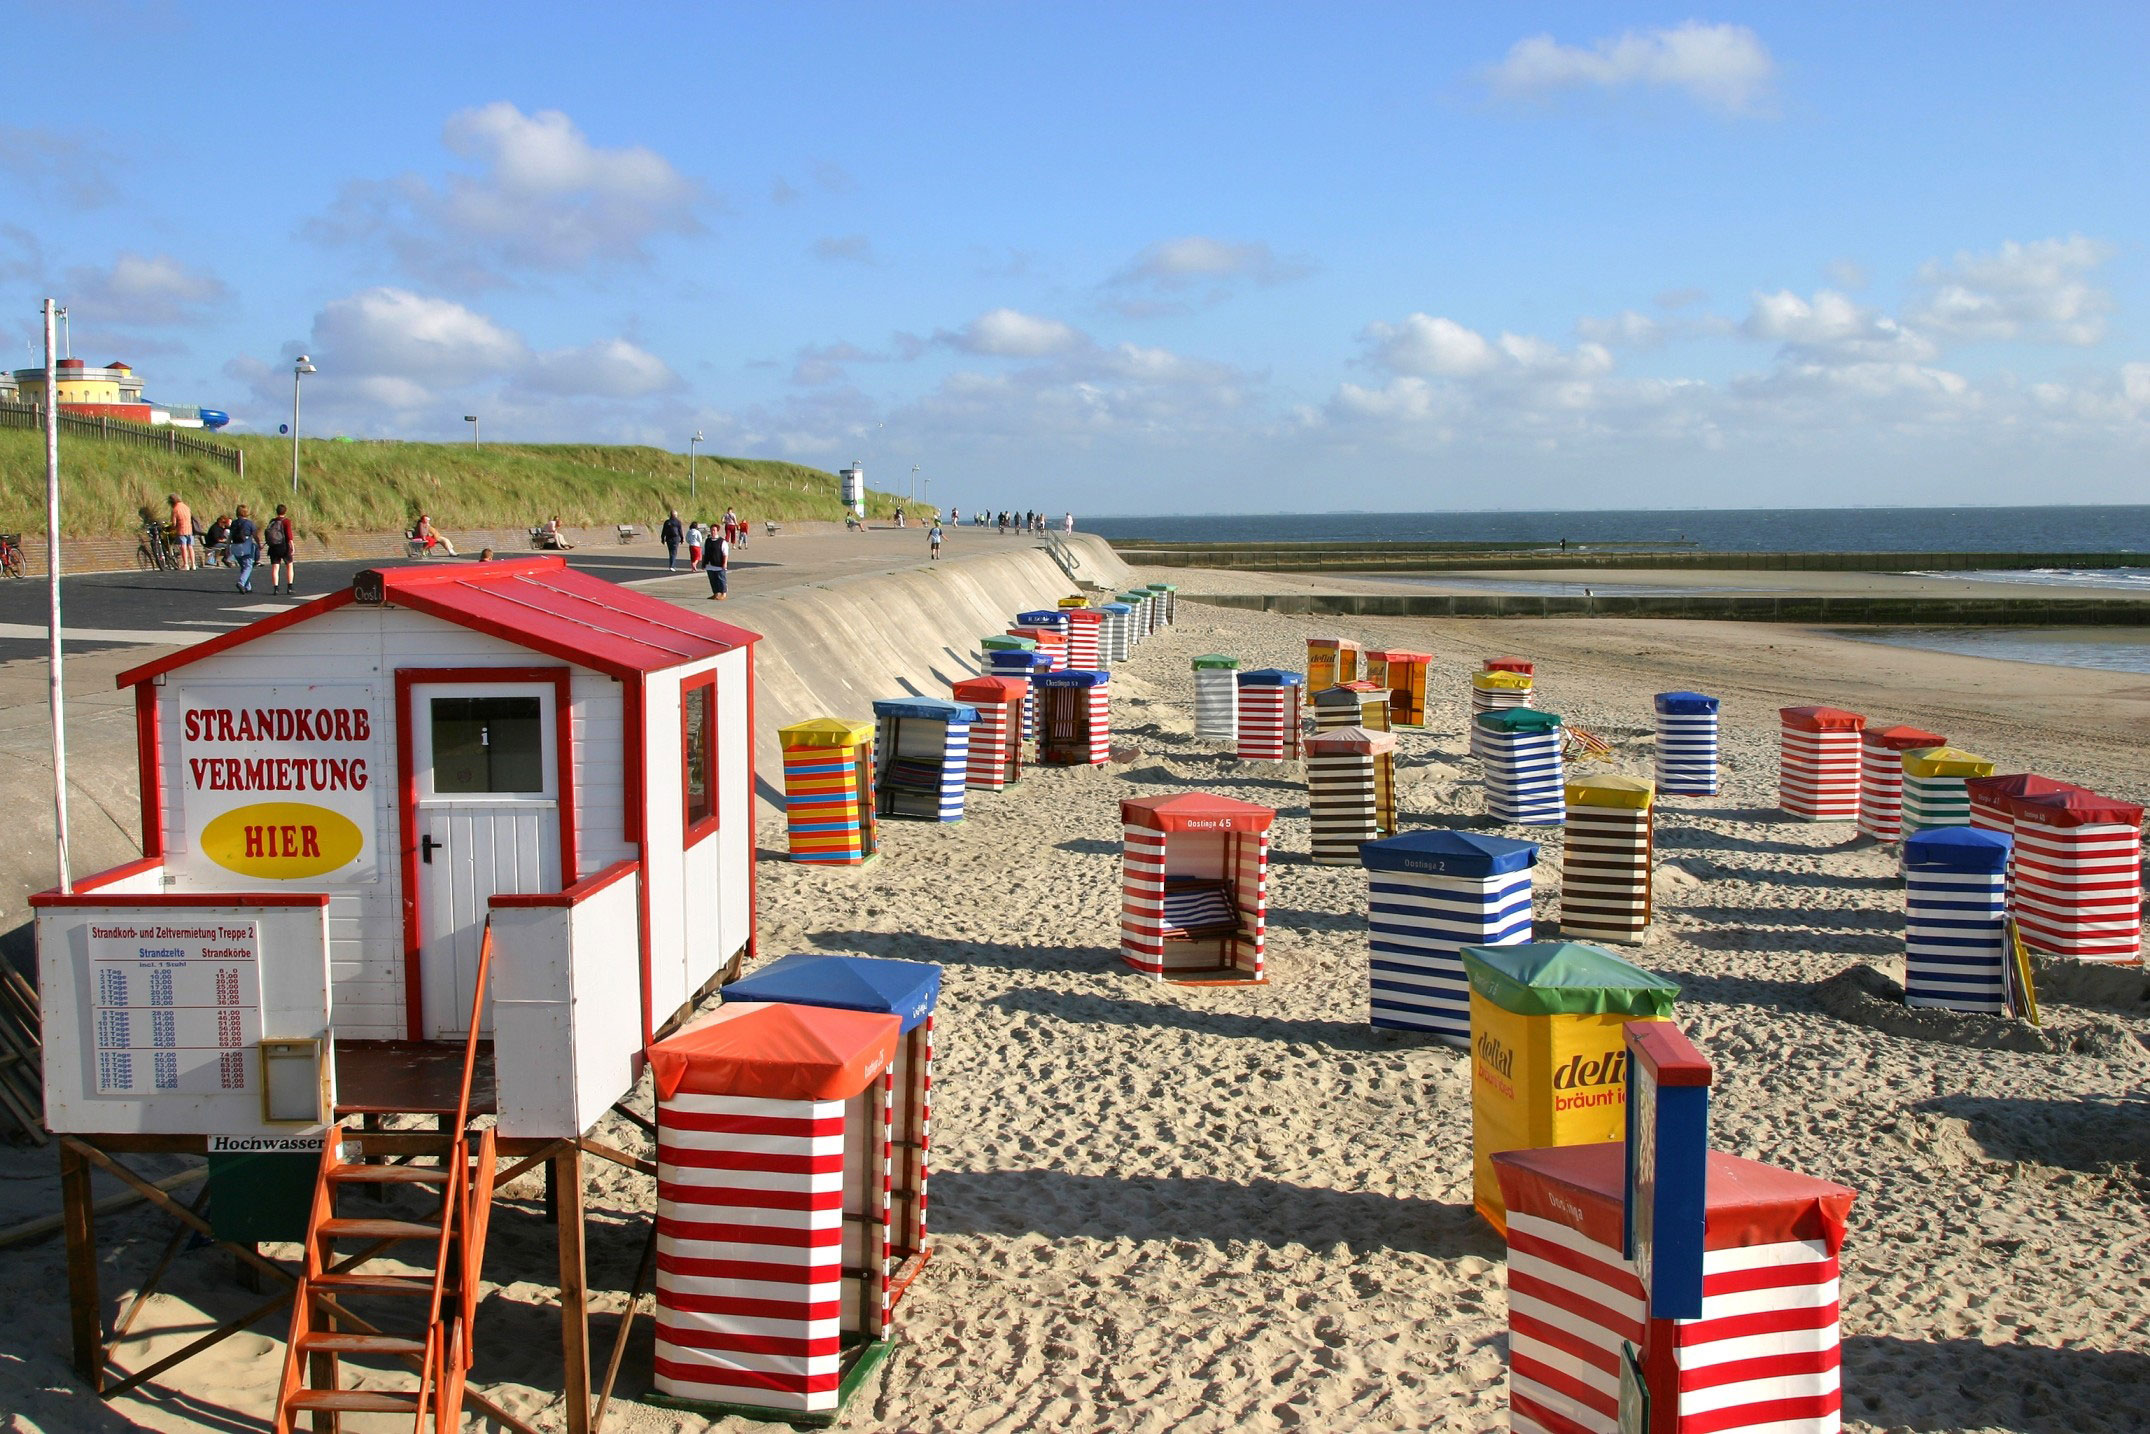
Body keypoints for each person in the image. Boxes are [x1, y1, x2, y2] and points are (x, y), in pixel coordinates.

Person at [264, 503, 297, 593]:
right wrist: (292, 546)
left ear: (277, 511)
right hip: (284, 546)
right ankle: (289, 587)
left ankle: (276, 588)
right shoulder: (286, 521)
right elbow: (289, 535)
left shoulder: (272, 521)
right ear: (285, 511)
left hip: (273, 547)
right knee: (289, 566)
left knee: (275, 568)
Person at [228, 504, 259, 593]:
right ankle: (241, 583)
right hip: (246, 548)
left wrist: (227, 547)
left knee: (244, 567)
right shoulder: (249, 523)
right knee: (248, 566)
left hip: (235, 547)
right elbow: (255, 536)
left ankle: (247, 586)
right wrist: (259, 544)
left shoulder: (234, 523)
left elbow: (230, 536)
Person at [168, 494, 196, 570]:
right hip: (189, 529)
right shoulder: (186, 507)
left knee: (183, 547)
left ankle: (185, 564)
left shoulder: (175, 509)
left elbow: (173, 523)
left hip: (181, 529)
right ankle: (193, 564)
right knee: (190, 547)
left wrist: (172, 528)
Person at [702, 524, 729, 600]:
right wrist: (703, 563)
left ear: (717, 531)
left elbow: (725, 554)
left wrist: (725, 563)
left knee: (721, 579)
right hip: (709, 564)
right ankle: (716, 593)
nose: (712, 532)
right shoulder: (707, 541)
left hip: (719, 564)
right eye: (711, 530)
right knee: (712, 580)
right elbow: (704, 553)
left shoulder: (722, 541)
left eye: (714, 530)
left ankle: (723, 594)